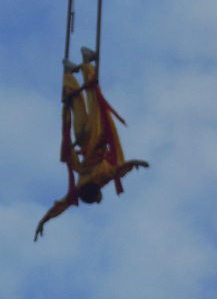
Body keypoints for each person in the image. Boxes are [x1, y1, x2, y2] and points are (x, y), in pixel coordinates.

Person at [34, 48, 148, 240]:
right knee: (76, 102)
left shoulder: (100, 178)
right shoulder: (79, 187)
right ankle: (69, 74)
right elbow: (61, 206)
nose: (99, 201)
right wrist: (43, 221)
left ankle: (86, 62)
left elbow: (119, 170)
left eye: (96, 200)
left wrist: (135, 163)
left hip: (96, 136)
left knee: (94, 96)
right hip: (80, 136)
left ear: (96, 192)